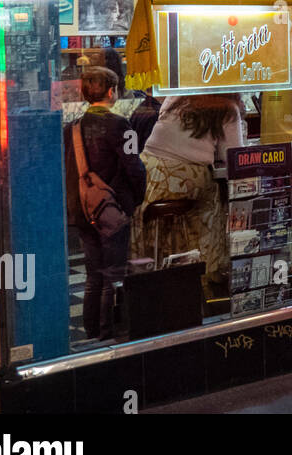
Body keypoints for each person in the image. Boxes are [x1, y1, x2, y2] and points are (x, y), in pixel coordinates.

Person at [131, 94, 245, 296]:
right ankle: (209, 272)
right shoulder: (227, 107)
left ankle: (171, 262)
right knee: (215, 200)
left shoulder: (174, 98)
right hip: (182, 177)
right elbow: (234, 157)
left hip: (148, 174)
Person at [64, 66, 147, 340]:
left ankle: (90, 331)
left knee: (92, 275)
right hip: (112, 210)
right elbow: (135, 167)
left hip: (82, 209)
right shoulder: (121, 125)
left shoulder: (72, 128)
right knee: (112, 273)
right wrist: (134, 200)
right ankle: (107, 332)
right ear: (112, 92)